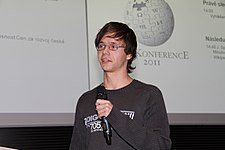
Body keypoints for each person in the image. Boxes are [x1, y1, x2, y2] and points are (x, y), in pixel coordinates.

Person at [70, 21, 171, 150]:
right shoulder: (86, 100)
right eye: (101, 46)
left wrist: (115, 116)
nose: (105, 52)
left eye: (113, 46)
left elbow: (160, 146)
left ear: (129, 54)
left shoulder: (148, 95)